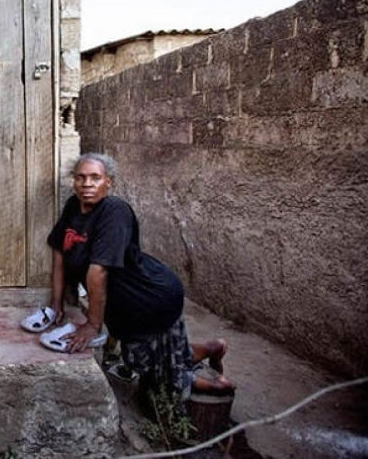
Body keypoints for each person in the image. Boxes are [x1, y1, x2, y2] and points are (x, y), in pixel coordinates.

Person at [25, 152, 234, 399]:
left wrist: (93, 325)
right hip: (124, 305)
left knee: (160, 380)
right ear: (74, 181)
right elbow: (60, 249)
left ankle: (219, 386)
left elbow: (98, 270)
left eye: (95, 178)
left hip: (150, 297)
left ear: (108, 182)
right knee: (141, 357)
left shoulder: (114, 212)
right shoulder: (73, 206)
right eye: (81, 178)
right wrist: (56, 303)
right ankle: (211, 347)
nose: (87, 184)